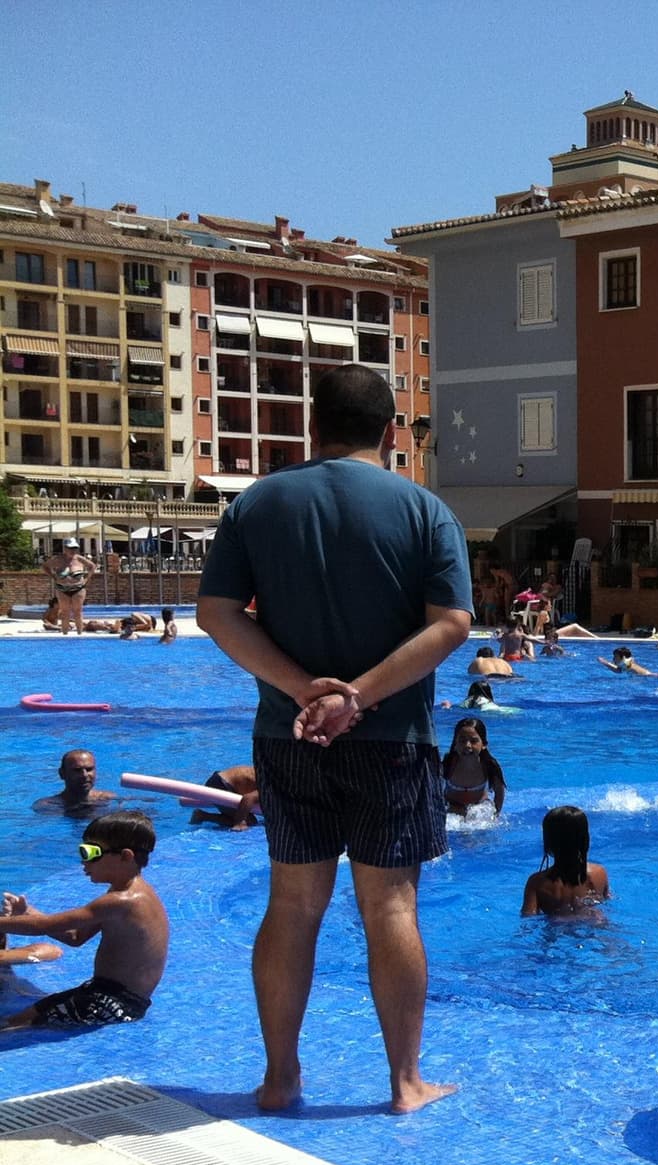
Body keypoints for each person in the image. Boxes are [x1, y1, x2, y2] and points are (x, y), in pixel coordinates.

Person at [197, 361, 472, 1114]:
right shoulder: (424, 511)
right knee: (390, 909)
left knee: (292, 906)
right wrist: (360, 696)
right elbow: (451, 623)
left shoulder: (256, 506)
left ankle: (281, 1078)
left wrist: (301, 690)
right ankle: (405, 1083)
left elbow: (217, 612)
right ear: (391, 431)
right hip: (392, 740)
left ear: (313, 428)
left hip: (289, 740)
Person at [1, 810, 169, 1031]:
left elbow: (46, 926)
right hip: (112, 995)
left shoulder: (122, 900)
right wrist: (28, 912)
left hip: (113, 1003)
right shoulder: (129, 894)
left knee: (14, 1025)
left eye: (91, 852)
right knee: (27, 1015)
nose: (84, 861)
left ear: (125, 857)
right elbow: (75, 937)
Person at [520, 805, 610, 916]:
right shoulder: (600, 873)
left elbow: (528, 917)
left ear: (549, 841)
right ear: (585, 839)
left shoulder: (537, 883)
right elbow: (607, 901)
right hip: (593, 923)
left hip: (556, 928)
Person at [440, 717, 506, 817]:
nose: (467, 745)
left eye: (474, 741)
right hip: (452, 807)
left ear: (484, 744)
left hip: (478, 807)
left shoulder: (489, 765)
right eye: (462, 741)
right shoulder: (448, 764)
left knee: (479, 814)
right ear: (455, 745)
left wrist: (496, 815)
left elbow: (499, 791)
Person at [34, 750, 117, 816]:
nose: (84, 775)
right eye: (77, 770)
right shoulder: (47, 806)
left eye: (89, 769)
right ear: (62, 774)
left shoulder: (108, 799)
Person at [44, 540, 97, 635]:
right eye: (70, 548)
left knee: (78, 611)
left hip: (78, 589)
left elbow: (92, 566)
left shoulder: (80, 559)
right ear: (65, 548)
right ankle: (65, 634)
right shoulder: (57, 559)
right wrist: (54, 577)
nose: (73, 550)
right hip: (62, 589)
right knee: (65, 612)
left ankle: (79, 634)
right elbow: (45, 566)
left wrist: (86, 579)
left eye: (74, 548)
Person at [190, 765, 261, 831]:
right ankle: (203, 816)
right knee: (250, 821)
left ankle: (203, 816)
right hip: (220, 785)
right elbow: (248, 798)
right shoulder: (269, 786)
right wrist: (240, 822)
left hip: (221, 779)